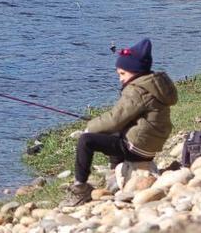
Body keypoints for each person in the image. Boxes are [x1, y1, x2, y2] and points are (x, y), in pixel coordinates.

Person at [62, 38, 178, 206]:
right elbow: (122, 118)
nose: (120, 79)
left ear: (136, 71)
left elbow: (115, 119)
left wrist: (90, 128)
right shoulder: (153, 85)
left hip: (138, 147)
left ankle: (80, 187)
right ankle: (115, 173)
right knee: (115, 132)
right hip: (149, 144)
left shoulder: (137, 91)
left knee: (86, 141)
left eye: (123, 74)